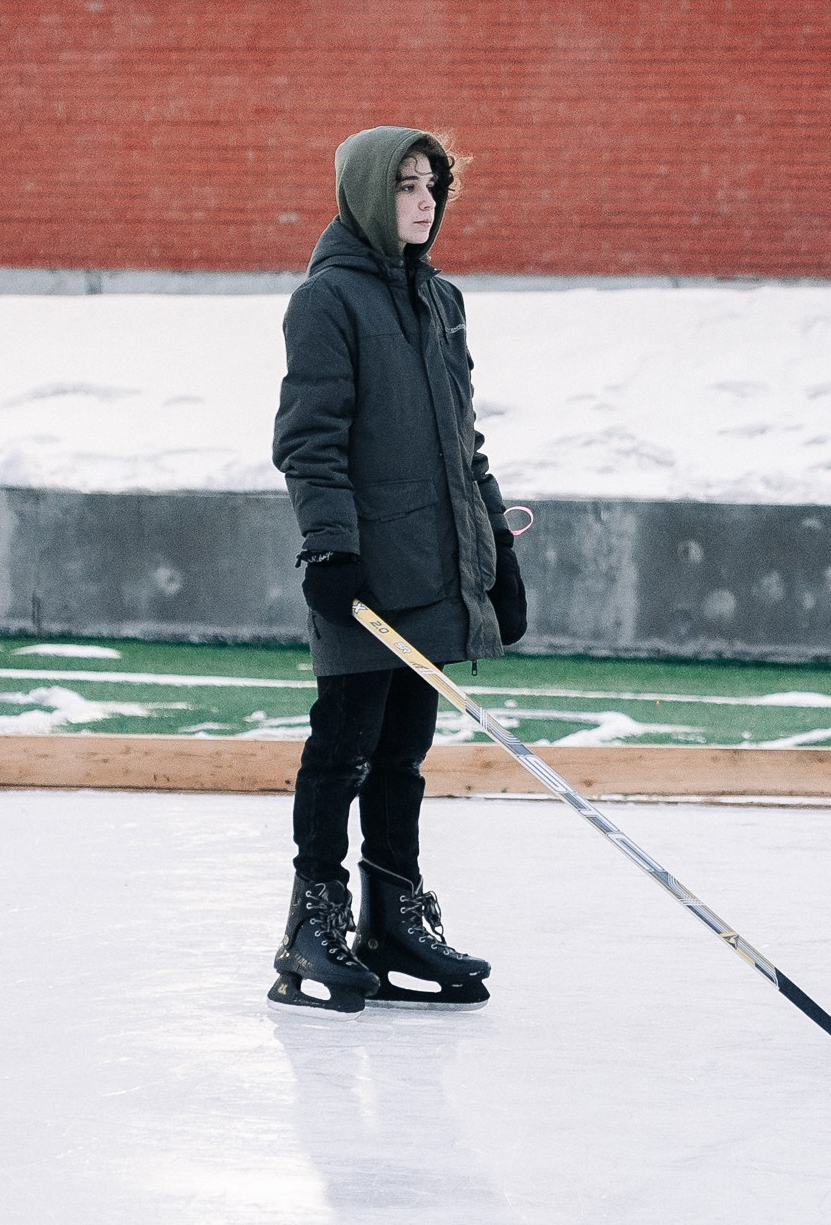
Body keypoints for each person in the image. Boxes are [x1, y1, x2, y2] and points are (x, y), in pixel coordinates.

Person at [267, 126, 527, 1015]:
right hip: (364, 580)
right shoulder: (326, 302)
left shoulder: (442, 300)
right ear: (369, 195)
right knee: (343, 749)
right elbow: (310, 442)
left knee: (405, 756)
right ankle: (314, 923)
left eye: (432, 186)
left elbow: (464, 445)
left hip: (430, 572)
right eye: (406, 186)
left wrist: (494, 560)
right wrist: (331, 549)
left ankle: (392, 921)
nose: (423, 201)